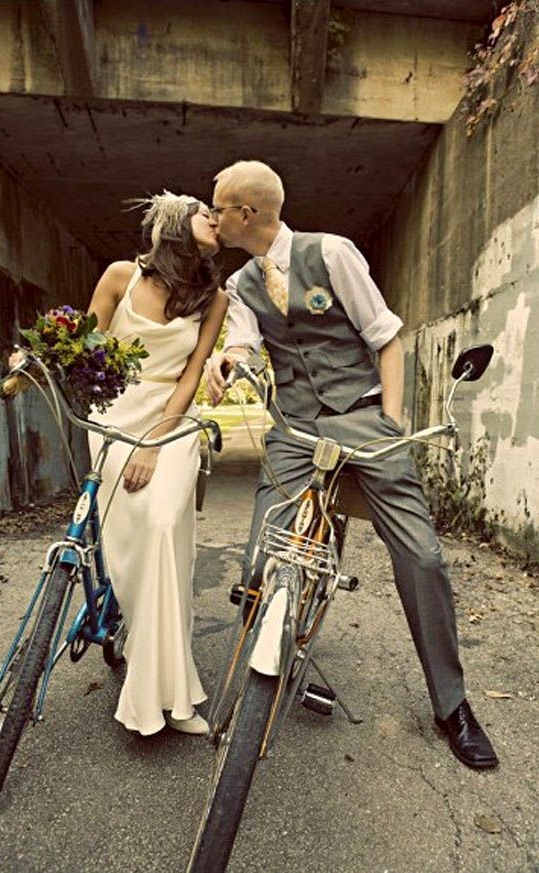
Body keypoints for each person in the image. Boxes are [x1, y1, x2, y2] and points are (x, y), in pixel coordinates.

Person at [205, 160, 498, 769]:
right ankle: (278, 669)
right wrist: (229, 362)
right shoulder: (239, 287)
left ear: (248, 213)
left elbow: (384, 337)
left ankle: (453, 705)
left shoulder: (332, 253)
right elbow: (243, 340)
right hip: (291, 429)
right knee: (261, 560)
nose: (212, 216)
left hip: (362, 417)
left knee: (422, 556)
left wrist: (390, 418)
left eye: (219, 207)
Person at [88, 192, 227, 736]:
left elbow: (192, 374)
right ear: (174, 223)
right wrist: (38, 353)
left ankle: (173, 696)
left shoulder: (213, 297)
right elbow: (84, 341)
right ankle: (153, 679)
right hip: (114, 417)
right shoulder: (121, 275)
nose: (214, 219)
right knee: (137, 550)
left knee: (167, 526)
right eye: (203, 213)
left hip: (171, 422)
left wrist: (155, 440)